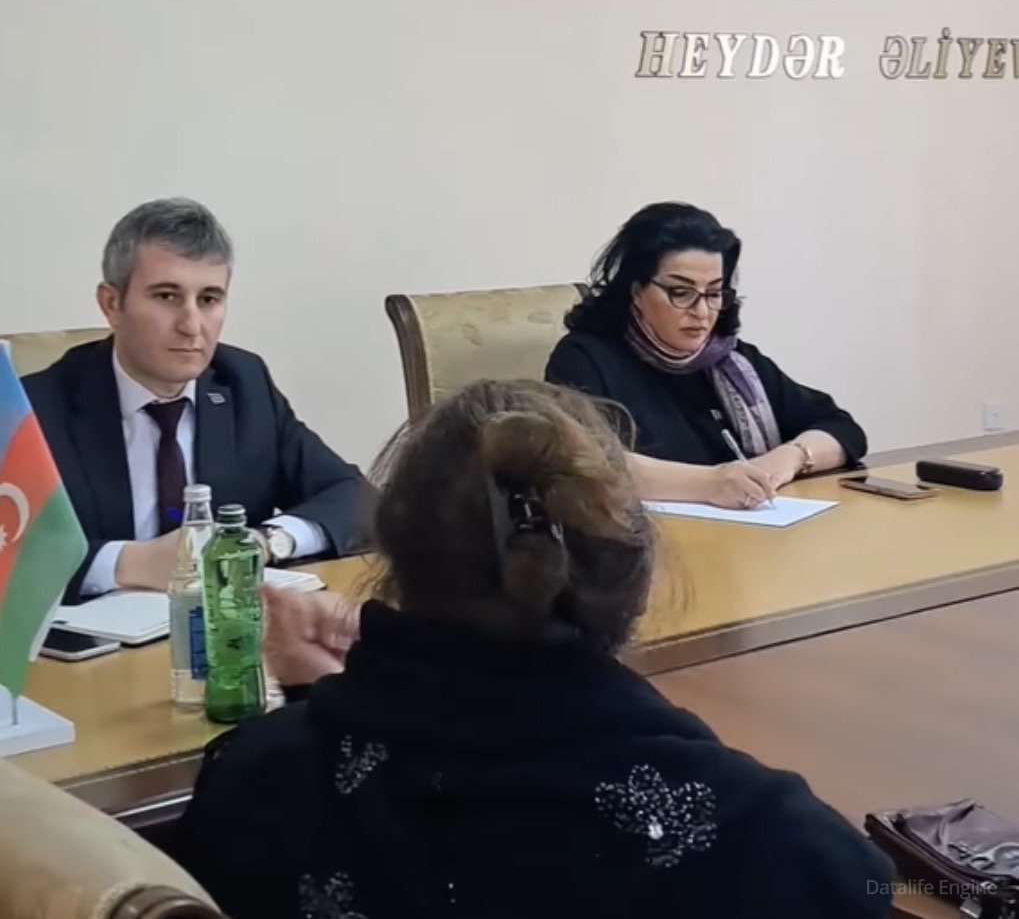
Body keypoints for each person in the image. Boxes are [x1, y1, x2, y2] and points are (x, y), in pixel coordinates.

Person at [176, 379, 891, 919]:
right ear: (632, 577)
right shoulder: (757, 833)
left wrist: (324, 702)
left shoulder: (254, 780)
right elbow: (857, 884)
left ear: (393, 555)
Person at [24, 198, 374, 602]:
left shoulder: (243, 383)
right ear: (112, 305)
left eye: (208, 299)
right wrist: (128, 563)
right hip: (88, 635)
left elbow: (354, 495)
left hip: (224, 627)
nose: (192, 325)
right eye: (167, 296)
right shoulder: (37, 408)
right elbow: (12, 553)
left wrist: (266, 542)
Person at [545, 202, 867, 510]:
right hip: (651, 540)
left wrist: (789, 458)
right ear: (636, 291)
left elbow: (841, 429)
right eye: (681, 292)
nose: (702, 312)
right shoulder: (585, 359)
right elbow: (587, 461)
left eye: (713, 293)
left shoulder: (731, 361)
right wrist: (709, 484)